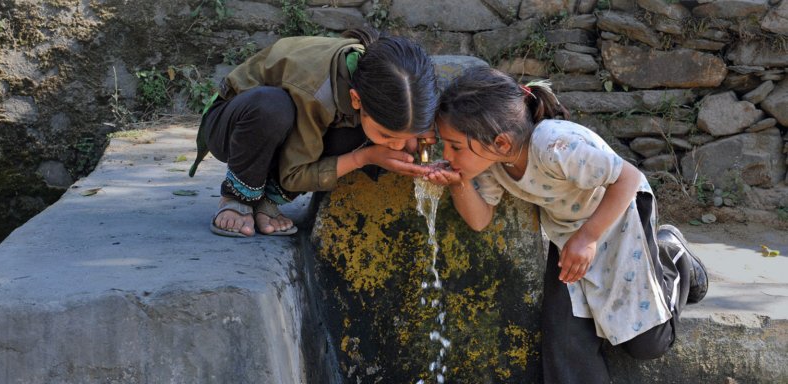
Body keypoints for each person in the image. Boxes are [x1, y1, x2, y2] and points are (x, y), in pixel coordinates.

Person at [423, 66, 709, 383]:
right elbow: (480, 220)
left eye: (455, 146)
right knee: (566, 350)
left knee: (648, 344)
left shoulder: (554, 146)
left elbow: (629, 177)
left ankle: (672, 254)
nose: (446, 153)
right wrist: (457, 181)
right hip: (569, 239)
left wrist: (588, 236)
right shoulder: (494, 163)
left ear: (502, 142)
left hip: (620, 219)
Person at [189, 28, 438, 237]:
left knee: (360, 133)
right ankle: (238, 197)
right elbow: (293, 176)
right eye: (389, 137)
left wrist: (423, 141)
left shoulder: (399, 89)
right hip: (235, 127)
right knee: (272, 107)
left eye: (406, 138)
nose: (398, 146)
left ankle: (266, 201)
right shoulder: (317, 94)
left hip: (290, 131)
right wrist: (366, 157)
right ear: (355, 99)